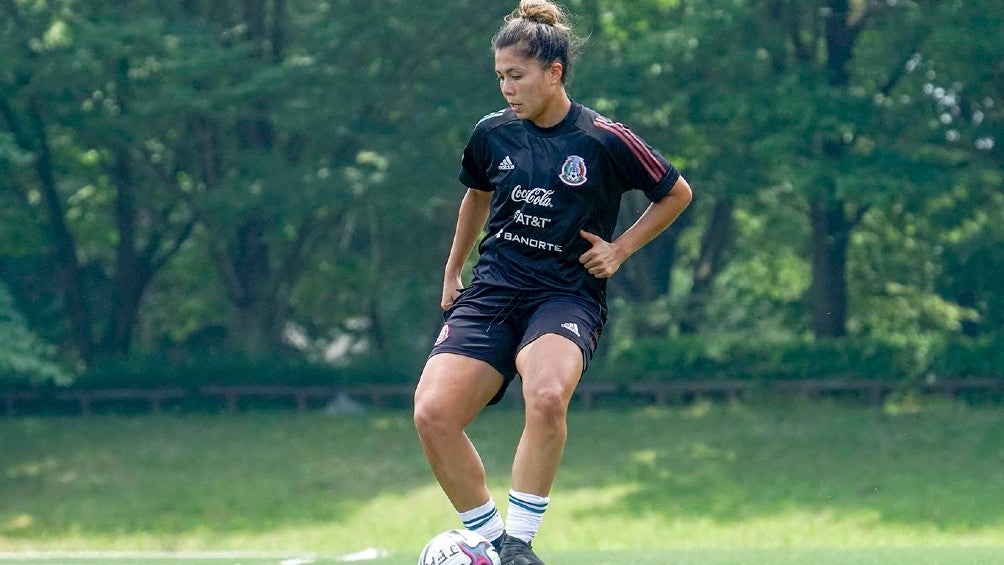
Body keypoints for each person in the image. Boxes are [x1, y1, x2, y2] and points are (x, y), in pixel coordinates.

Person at [413, 1, 692, 563]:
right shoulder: (491, 134)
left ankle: (519, 539)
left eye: (516, 76)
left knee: (545, 397)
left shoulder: (604, 138)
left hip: (565, 295)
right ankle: (499, 549)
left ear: (554, 73)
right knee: (433, 414)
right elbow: (475, 196)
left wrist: (620, 249)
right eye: (500, 77)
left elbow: (676, 193)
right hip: (493, 291)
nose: (506, 89)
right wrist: (451, 270)